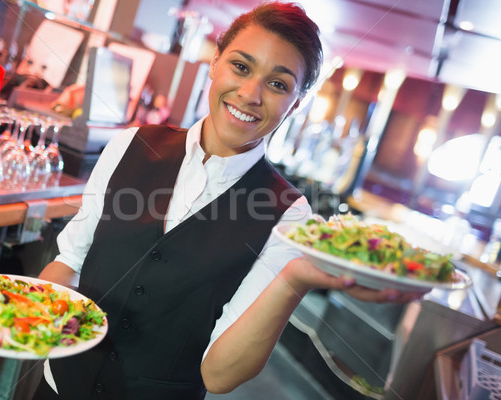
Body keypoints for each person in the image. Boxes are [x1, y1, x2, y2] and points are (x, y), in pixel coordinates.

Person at [32, 2, 422, 399]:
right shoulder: (130, 144)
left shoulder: (291, 218)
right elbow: (69, 263)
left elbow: (219, 376)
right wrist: (38, 321)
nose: (250, 93)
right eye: (240, 66)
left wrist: (295, 280)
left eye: (277, 84)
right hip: (56, 388)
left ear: (297, 102)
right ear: (215, 62)